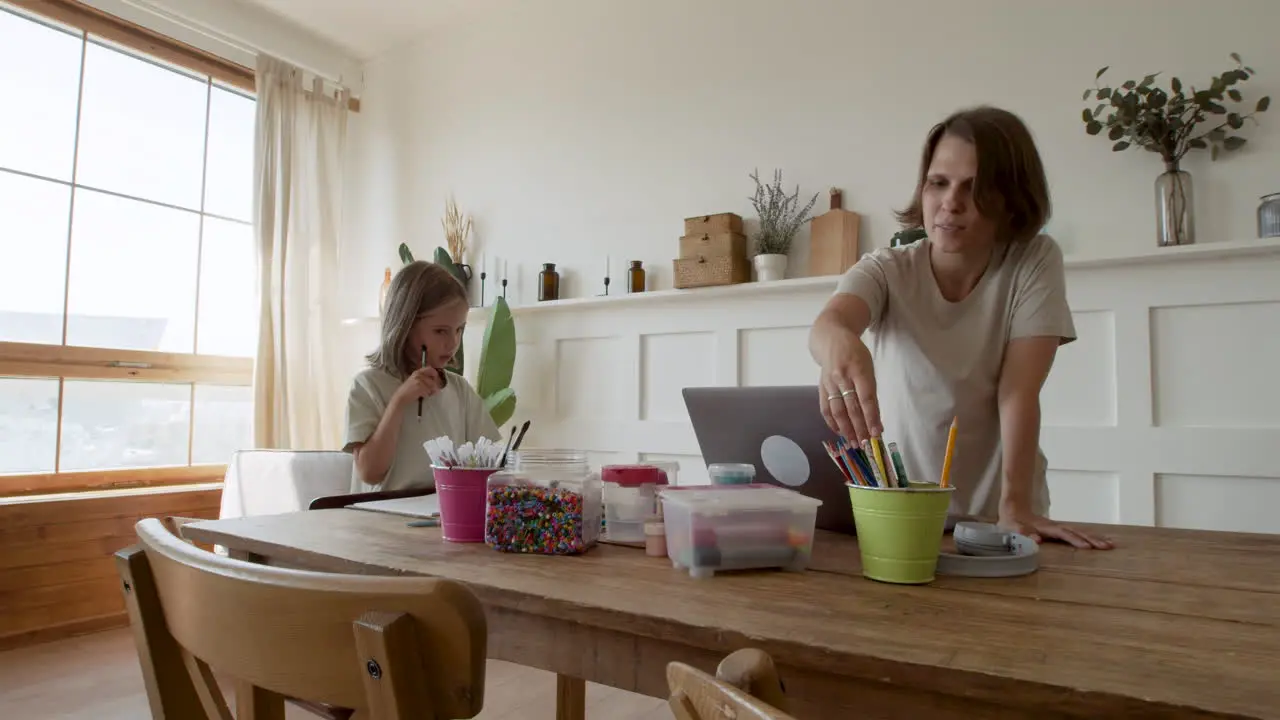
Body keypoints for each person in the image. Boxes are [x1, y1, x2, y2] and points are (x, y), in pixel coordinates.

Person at [808, 105, 1113, 550]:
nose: (951, 202)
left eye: (975, 188)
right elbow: (829, 324)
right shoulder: (886, 268)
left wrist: (1016, 507)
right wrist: (839, 346)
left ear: (1011, 197)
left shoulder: (1034, 260)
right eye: (939, 183)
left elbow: (1017, 393)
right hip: (902, 515)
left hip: (999, 518)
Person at [343, 261, 501, 493]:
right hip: (379, 518)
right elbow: (369, 473)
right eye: (440, 331)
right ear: (405, 326)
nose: (453, 342)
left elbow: (493, 463)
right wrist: (399, 402)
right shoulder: (367, 386)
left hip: (439, 516)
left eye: (459, 330)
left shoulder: (459, 391)